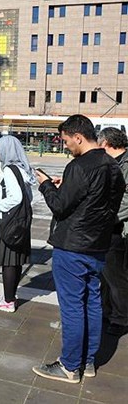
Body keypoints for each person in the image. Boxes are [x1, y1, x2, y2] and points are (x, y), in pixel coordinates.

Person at [32, 115, 125, 383]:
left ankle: (70, 365)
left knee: (73, 307)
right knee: (92, 304)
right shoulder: (112, 166)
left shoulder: (80, 166)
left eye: (66, 141)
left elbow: (60, 206)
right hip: (98, 245)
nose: (65, 146)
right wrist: (68, 186)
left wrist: (46, 185)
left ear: (78, 137)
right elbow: (103, 202)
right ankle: (88, 361)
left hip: (73, 246)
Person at [0, 135, 36, 313]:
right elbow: (29, 198)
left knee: (8, 262)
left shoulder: (9, 170)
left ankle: (7, 301)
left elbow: (16, 197)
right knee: (15, 261)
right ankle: (10, 296)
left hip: (7, 221)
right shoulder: (24, 169)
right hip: (20, 222)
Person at [97, 127, 128, 336]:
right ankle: (107, 312)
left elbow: (125, 200)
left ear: (106, 143)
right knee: (106, 275)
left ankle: (121, 319)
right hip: (109, 226)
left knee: (118, 277)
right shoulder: (111, 163)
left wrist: (106, 216)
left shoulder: (125, 164)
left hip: (119, 228)